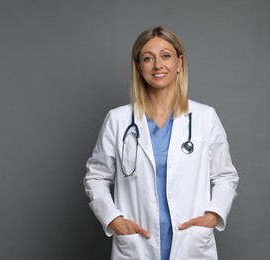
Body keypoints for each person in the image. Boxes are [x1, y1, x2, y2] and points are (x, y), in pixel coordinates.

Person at [83, 26, 239, 260]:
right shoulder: (119, 120)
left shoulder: (205, 117)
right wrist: (113, 219)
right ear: (139, 67)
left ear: (180, 62)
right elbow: (96, 176)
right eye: (148, 58)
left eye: (166, 55)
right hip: (138, 243)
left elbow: (225, 176)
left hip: (190, 241)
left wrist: (213, 215)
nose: (158, 65)